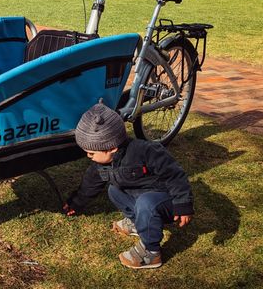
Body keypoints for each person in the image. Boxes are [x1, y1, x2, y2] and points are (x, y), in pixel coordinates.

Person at [63, 102, 194, 269]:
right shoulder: (101, 164)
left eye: (91, 153)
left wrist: (183, 204)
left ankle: (151, 253)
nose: (89, 156)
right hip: (141, 201)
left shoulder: (146, 151)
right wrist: (76, 203)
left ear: (110, 148)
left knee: (146, 203)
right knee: (114, 191)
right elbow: (90, 183)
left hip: (165, 201)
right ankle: (138, 223)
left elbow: (174, 174)